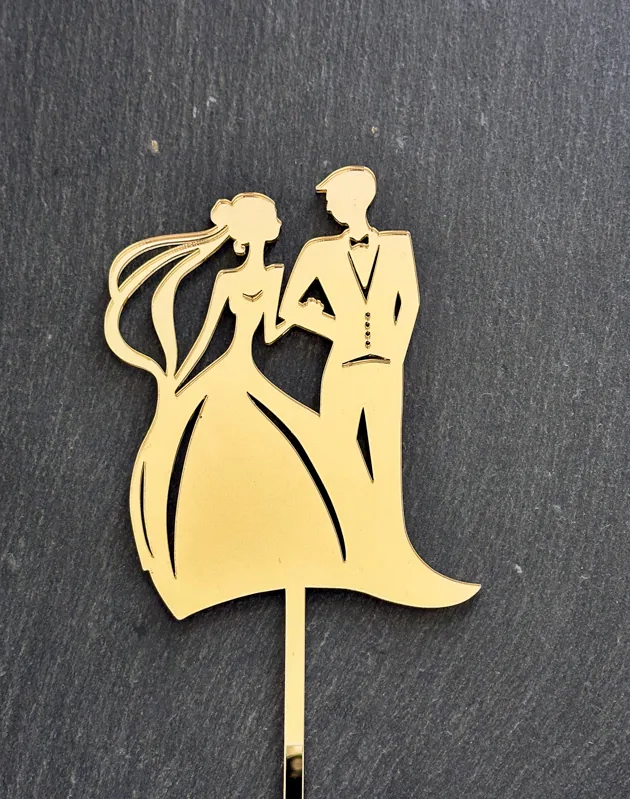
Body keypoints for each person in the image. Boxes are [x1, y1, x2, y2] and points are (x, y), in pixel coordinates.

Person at [105, 193, 347, 619]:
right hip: (229, 372)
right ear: (259, 232)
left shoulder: (273, 276)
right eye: (272, 221)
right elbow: (208, 336)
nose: (277, 227)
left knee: (282, 450)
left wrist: (298, 316)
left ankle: (268, 549)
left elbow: (267, 335)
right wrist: (176, 380)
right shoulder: (232, 280)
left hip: (245, 370)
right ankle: (221, 555)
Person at [280, 167, 479, 608]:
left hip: (386, 371)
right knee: (337, 457)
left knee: (386, 462)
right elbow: (288, 306)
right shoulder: (317, 251)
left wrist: (395, 353)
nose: (328, 206)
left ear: (355, 201)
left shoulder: (397, 245)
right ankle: (340, 552)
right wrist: (334, 327)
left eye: (332, 198)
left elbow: (410, 302)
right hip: (342, 369)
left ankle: (388, 558)